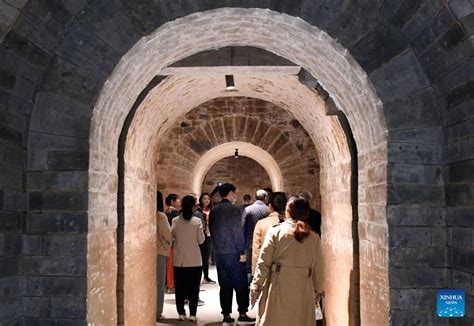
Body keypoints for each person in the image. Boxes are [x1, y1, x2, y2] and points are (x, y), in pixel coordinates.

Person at [250, 196, 324, 326]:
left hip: (279, 285)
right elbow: (318, 268)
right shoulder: (314, 237)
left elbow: (264, 263)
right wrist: (317, 291)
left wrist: (256, 286)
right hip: (303, 288)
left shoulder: (276, 232)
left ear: (288, 211)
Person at [209, 183, 255, 324]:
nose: (235, 195)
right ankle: (242, 312)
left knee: (225, 285)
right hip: (234, 252)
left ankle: (226, 315)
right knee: (240, 284)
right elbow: (237, 232)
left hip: (220, 252)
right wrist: (242, 251)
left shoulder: (214, 210)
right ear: (230, 193)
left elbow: (212, 229)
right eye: (234, 193)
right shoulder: (235, 209)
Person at [171, 195, 205, 322]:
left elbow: (171, 237)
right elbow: (201, 240)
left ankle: (181, 313)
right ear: (192, 206)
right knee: (193, 289)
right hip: (195, 260)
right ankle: (192, 314)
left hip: (179, 260)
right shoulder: (197, 221)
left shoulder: (175, 221)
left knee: (179, 287)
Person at [251, 192, 287, 275]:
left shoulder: (261, 224)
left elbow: (256, 251)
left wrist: (255, 273)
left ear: (270, 205)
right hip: (287, 269)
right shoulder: (292, 224)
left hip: (267, 268)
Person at [242, 189, 269, 277]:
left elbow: (242, 226)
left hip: (250, 241)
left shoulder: (248, 209)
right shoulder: (268, 210)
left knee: (250, 265)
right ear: (265, 198)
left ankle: (251, 281)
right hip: (265, 241)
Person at [156, 191, 171, 321]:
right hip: (159, 252)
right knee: (159, 284)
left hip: (152, 252)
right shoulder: (160, 216)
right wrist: (167, 246)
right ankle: (157, 312)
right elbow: (168, 235)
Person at [197, 192, 216, 284]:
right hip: (201, 235)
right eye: (204, 198)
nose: (206, 200)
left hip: (209, 235)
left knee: (206, 257)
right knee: (200, 257)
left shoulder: (212, 210)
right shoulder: (198, 210)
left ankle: (206, 276)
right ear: (201, 200)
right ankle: (199, 276)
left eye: (208, 199)